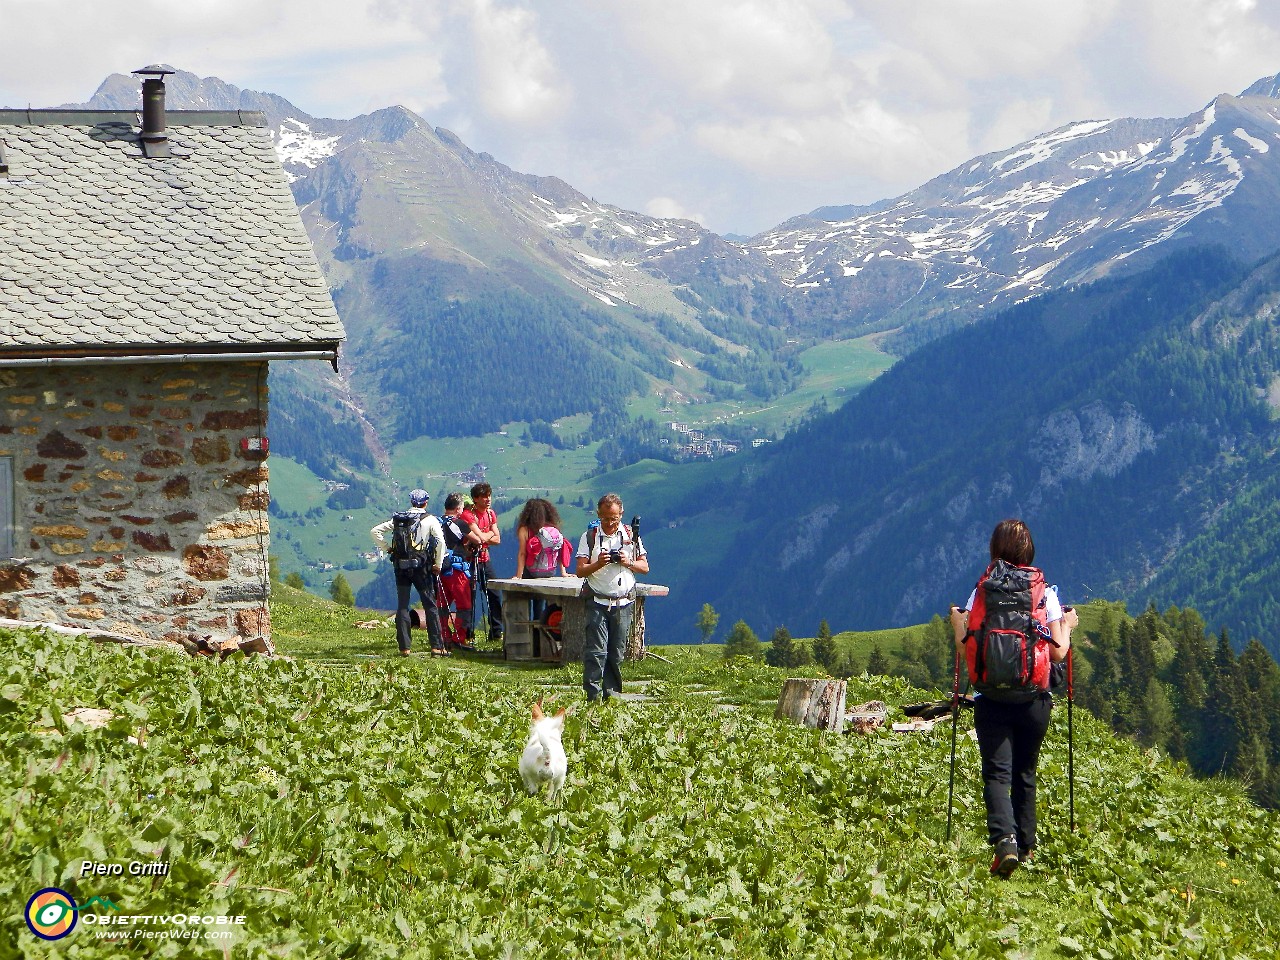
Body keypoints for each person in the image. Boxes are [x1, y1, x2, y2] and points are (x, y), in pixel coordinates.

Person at [949, 519, 1078, 876]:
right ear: (1029, 550)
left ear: (995, 548)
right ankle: (1027, 847)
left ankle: (1004, 842)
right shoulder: (1043, 592)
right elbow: (1057, 653)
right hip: (1034, 697)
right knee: (1025, 771)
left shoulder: (982, 591)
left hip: (990, 697)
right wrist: (1067, 625)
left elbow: (966, 648)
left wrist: (955, 622)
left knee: (996, 773)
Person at [575, 493, 648, 702]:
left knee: (616, 653)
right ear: (598, 514)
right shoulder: (589, 537)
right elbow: (580, 570)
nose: (609, 523)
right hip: (597, 600)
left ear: (621, 515)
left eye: (614, 518)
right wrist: (598, 563)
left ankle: (612, 696)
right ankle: (592, 696)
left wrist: (628, 562)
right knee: (596, 653)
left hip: (623, 602)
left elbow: (644, 567)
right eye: (605, 518)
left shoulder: (631, 536)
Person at [370, 489, 446, 657]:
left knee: (402, 605)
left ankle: (405, 648)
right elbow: (440, 542)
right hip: (421, 566)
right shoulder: (430, 519)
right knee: (430, 605)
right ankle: (436, 647)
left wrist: (387, 549)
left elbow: (375, 531)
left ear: (412, 502)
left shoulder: (400, 519)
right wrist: (438, 564)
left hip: (400, 565)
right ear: (426, 502)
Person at [514, 497, 570, 623]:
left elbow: (522, 553)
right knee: (549, 601)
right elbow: (560, 550)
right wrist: (564, 572)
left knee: (532, 602)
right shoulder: (553, 530)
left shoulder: (525, 530)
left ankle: (532, 629)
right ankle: (548, 624)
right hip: (549, 571)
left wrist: (518, 575)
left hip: (531, 572)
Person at [461, 482, 503, 644]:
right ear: (475, 499)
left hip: (485, 558)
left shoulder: (491, 514)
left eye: (489, 496)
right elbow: (479, 538)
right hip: (470, 560)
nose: (488, 499)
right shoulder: (468, 515)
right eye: (484, 497)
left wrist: (484, 537)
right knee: (469, 596)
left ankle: (496, 631)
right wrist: (489, 534)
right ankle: (468, 631)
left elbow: (497, 539)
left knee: (494, 594)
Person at [439, 493, 480, 648]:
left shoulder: (437, 522)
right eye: (462, 508)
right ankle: (459, 638)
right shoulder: (459, 523)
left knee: (443, 604)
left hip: (441, 569)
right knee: (464, 605)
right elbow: (478, 540)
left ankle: (444, 635)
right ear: (457, 508)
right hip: (457, 570)